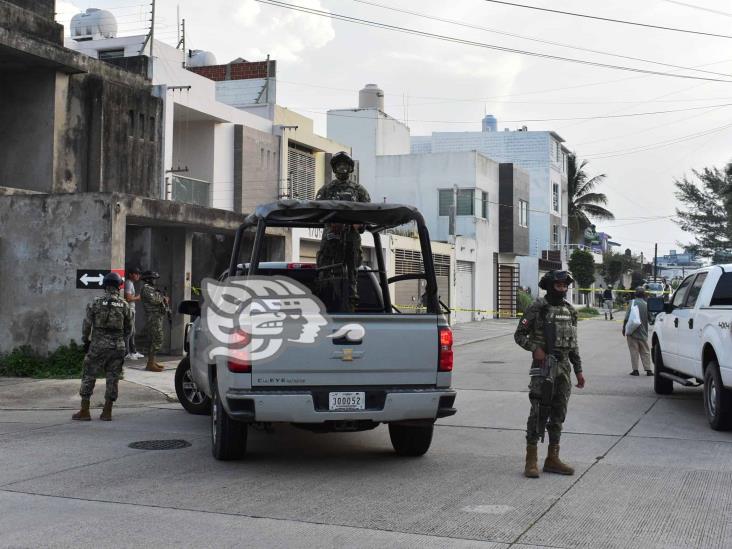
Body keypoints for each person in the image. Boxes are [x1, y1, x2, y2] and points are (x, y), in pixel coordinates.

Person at [515, 270, 585, 478]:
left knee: (558, 413)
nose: (562, 288)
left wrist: (579, 370)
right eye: (559, 285)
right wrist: (534, 348)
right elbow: (519, 335)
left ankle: (552, 458)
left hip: (564, 368)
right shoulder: (538, 307)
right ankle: (531, 459)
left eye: (565, 285)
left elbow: (574, 344)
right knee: (538, 410)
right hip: (544, 366)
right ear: (550, 285)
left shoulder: (570, 311)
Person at [315, 151, 371, 311]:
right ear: (334, 168)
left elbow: (367, 215)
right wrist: (331, 223)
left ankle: (351, 310)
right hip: (331, 239)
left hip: (351, 239)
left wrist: (357, 225)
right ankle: (324, 305)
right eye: (338, 165)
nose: (342, 168)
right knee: (325, 274)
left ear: (351, 168)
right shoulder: (326, 190)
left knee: (351, 277)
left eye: (345, 164)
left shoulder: (359, 191)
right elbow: (316, 213)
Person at [72, 272, 132, 421]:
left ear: (105, 285)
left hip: (98, 345)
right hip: (118, 346)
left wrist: (85, 340)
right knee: (113, 378)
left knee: (89, 375)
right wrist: (121, 341)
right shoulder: (124, 304)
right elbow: (129, 328)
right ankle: (107, 412)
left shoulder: (95, 302)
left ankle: (85, 411)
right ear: (119, 286)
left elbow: (87, 324)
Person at [140, 270, 168, 372]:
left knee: (155, 339)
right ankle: (150, 364)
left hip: (157, 316)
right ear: (148, 279)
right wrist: (163, 299)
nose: (155, 281)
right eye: (153, 279)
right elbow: (154, 300)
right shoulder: (146, 289)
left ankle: (151, 362)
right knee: (157, 339)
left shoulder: (152, 289)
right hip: (153, 317)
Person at [623, 287, 653, 376]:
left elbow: (627, 318)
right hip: (643, 333)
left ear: (635, 294)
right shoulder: (646, 304)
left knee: (634, 351)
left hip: (632, 332)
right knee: (645, 351)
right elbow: (651, 319)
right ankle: (648, 370)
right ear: (644, 295)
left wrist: (624, 328)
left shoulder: (632, 303)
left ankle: (635, 370)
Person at [124, 266, 144, 360]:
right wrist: (138, 297)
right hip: (129, 310)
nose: (138, 276)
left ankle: (133, 351)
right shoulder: (128, 283)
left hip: (132, 310)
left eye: (138, 274)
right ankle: (127, 353)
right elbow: (128, 298)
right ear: (130, 274)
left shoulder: (131, 283)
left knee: (133, 331)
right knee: (129, 332)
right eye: (136, 274)